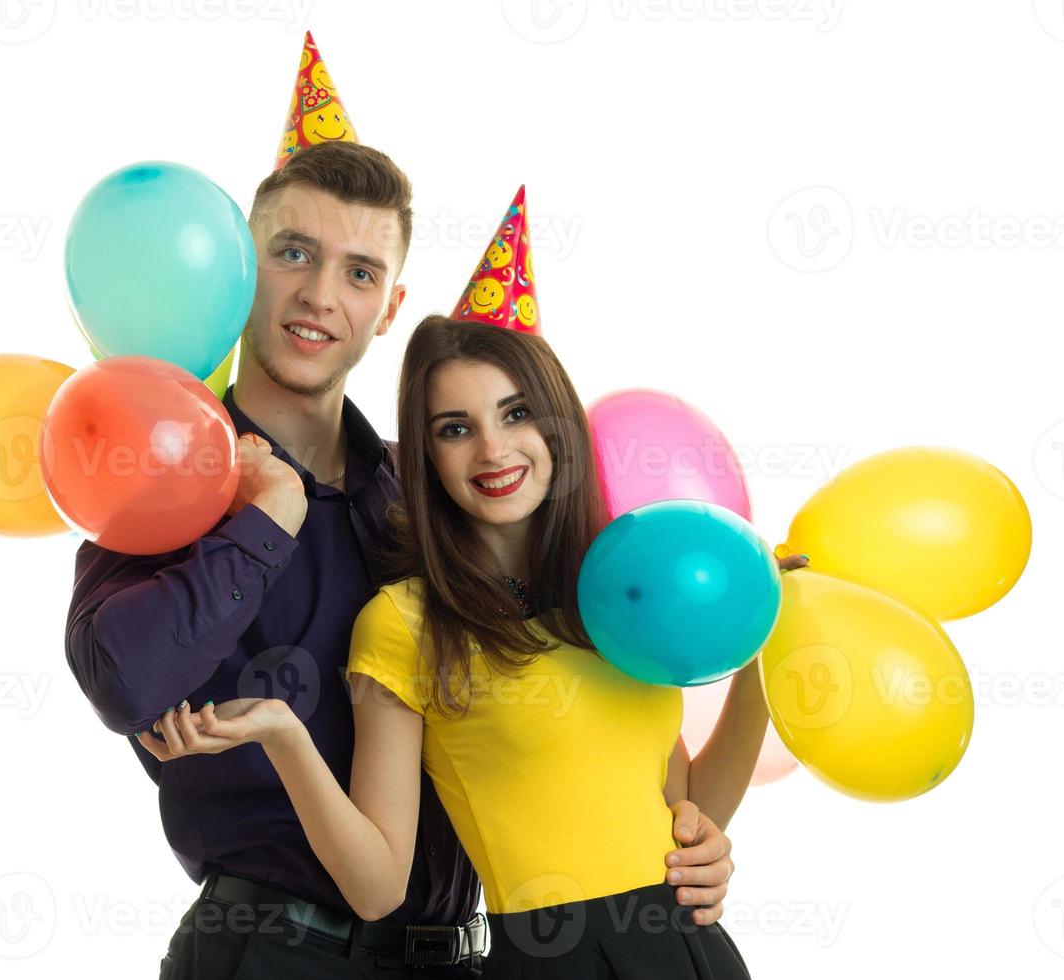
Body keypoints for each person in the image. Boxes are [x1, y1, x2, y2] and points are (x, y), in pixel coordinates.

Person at [68, 146, 742, 978]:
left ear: (388, 307)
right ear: (242, 269)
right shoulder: (167, 471)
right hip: (277, 952)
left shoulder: (434, 503)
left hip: (464, 956)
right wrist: (265, 524)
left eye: (359, 272)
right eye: (293, 254)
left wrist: (686, 835)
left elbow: (552, 717)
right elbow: (125, 681)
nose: (320, 295)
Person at [142, 312, 805, 977]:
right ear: (427, 458)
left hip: (690, 949)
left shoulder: (614, 592)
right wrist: (286, 735)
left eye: (515, 415)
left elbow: (685, 808)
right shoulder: (405, 623)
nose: (493, 451)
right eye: (455, 429)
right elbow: (377, 888)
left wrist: (765, 647)